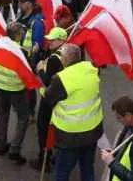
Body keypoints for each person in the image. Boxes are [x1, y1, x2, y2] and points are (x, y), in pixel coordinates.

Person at [44, 43, 103, 181]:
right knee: (87, 168)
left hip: (70, 135)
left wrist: (42, 71)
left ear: (66, 59)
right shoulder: (91, 69)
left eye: (61, 56)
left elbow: (49, 98)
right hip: (93, 130)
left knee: (62, 171)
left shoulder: (62, 78)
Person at [29, 26, 68, 172]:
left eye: (53, 39)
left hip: (49, 99)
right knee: (55, 127)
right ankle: (53, 154)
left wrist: (40, 69)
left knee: (43, 128)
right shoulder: (68, 53)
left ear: (61, 40)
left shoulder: (54, 58)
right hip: (62, 98)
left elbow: (48, 82)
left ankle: (43, 159)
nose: (49, 41)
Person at [0, 23, 29, 164]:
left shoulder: (0, 45)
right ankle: (15, 149)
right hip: (15, 88)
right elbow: (28, 72)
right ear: (18, 35)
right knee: (23, 117)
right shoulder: (20, 51)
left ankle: (2, 145)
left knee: (4, 114)